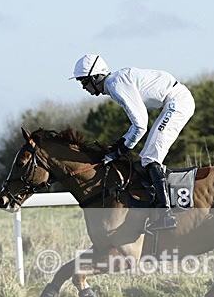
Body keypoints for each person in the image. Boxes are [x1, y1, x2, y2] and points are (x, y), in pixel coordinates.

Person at [71, 54, 195, 230]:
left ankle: (166, 215)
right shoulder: (115, 82)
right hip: (174, 100)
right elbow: (139, 123)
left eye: (84, 81)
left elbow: (140, 125)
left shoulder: (114, 84)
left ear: (96, 77)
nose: (83, 87)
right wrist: (121, 144)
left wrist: (120, 148)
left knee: (150, 158)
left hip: (177, 101)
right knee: (146, 157)